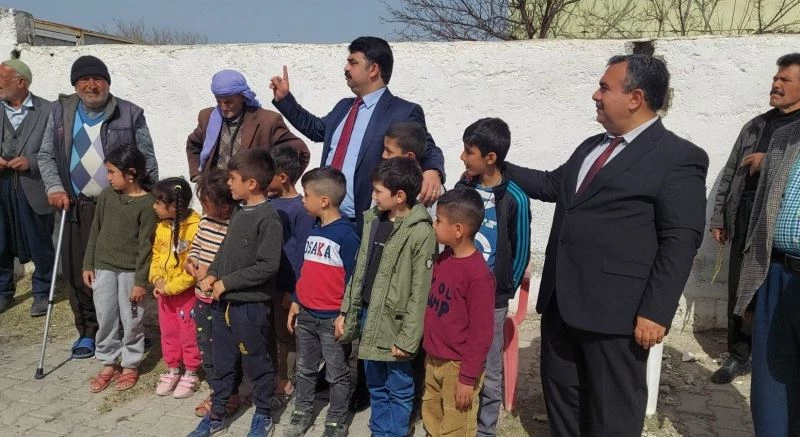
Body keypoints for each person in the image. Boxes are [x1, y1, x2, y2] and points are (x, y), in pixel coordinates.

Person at [503, 54, 708, 436]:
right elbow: (551, 185)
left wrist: (657, 311)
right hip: (562, 304)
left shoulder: (679, 158)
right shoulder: (590, 147)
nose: (595, 95)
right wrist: (496, 166)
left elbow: (680, 240)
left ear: (635, 98)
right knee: (564, 406)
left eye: (604, 87)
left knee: (611, 416)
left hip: (618, 315)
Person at [38, 55, 158, 359]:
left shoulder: (130, 113)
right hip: (75, 205)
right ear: (75, 85)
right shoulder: (60, 112)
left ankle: (129, 333)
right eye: (84, 80)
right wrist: (54, 187)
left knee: (125, 272)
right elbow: (45, 155)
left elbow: (147, 159)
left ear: (108, 82)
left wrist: (147, 197)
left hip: (121, 207)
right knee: (81, 272)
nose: (92, 85)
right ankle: (89, 333)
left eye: (98, 79)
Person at [270, 36, 446, 230]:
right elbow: (315, 129)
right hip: (325, 219)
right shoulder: (343, 107)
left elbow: (426, 146)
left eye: (353, 62)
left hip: (364, 221)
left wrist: (433, 171)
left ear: (373, 70)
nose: (346, 68)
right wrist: (285, 99)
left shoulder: (402, 111)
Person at [708, 53, 800, 384]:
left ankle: (771, 353)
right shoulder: (756, 125)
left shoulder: (796, 133)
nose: (776, 84)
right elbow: (730, 173)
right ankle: (738, 354)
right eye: (776, 78)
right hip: (746, 213)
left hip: (778, 218)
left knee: (772, 289)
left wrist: (771, 162)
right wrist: (719, 217)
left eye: (785, 80)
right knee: (740, 286)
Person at [336, 157, 437, 437]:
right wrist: (346, 311)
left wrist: (408, 338)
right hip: (370, 315)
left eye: (379, 191)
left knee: (399, 387)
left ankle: (394, 433)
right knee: (375, 383)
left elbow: (420, 291)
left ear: (400, 196)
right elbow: (360, 269)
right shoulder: (374, 220)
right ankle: (379, 432)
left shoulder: (420, 232)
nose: (373, 196)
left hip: (396, 324)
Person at [189, 148, 283, 437]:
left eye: (232, 178)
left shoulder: (268, 219)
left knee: (257, 362)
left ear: (251, 184)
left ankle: (264, 412)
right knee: (222, 362)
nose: (228, 183)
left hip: (249, 309)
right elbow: (224, 252)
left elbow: (267, 266)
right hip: (222, 307)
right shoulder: (240, 212)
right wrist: (213, 273)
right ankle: (217, 413)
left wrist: (227, 283)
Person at [733, 54, 800, 437]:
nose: (775, 84)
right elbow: (761, 215)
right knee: (770, 387)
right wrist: (753, 283)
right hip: (775, 272)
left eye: (785, 79)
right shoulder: (783, 137)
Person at [456, 117, 531, 436]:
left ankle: (485, 430)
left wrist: (503, 290)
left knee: (490, 366)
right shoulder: (464, 188)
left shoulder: (515, 197)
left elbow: (522, 249)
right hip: (459, 294)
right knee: (458, 360)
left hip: (492, 299)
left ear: (490, 158)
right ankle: (457, 423)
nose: (461, 156)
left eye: (468, 151)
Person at [283, 167, 360, 437]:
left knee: (337, 373)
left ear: (324, 200)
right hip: (305, 314)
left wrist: (345, 313)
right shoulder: (314, 229)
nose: (303, 200)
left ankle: (337, 419)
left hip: (331, 320)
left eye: (307, 195)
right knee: (305, 368)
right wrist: (295, 300)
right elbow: (306, 270)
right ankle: (302, 411)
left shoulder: (346, 235)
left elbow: (354, 280)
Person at [81, 144, 156, 393]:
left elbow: (146, 247)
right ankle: (108, 361)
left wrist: (140, 282)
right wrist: (88, 263)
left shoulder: (147, 205)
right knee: (105, 316)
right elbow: (96, 230)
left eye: (112, 172)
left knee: (132, 318)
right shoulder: (106, 195)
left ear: (131, 173)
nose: (108, 177)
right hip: (103, 268)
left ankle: (131, 363)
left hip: (129, 273)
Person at [421, 187, 495, 437]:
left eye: (439, 220)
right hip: (433, 359)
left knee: (455, 428)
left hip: (457, 367)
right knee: (431, 419)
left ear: (459, 230)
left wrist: (467, 377)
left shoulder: (479, 276)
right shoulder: (444, 259)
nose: (434, 224)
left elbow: (481, 334)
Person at [0, 57, 55, 316]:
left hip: (33, 186)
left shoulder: (48, 110)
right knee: (1, 240)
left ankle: (42, 292)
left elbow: (57, 148)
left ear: (20, 82)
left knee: (39, 241)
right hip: (2, 186)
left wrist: (31, 161)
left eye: (2, 79)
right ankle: (3, 291)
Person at [185, 169, 242, 418]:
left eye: (206, 202)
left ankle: (231, 393)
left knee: (226, 350)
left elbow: (235, 261)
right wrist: (191, 262)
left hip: (222, 301)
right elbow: (195, 247)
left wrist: (212, 273)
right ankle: (216, 389)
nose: (202, 206)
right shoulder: (205, 222)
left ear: (222, 203)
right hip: (201, 299)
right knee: (206, 348)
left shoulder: (236, 225)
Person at [186, 69, 309, 182]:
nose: (223, 107)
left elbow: (301, 152)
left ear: (243, 97)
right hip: (216, 195)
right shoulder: (207, 117)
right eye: (219, 101)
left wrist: (279, 187)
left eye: (228, 102)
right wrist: (197, 174)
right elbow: (193, 144)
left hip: (249, 197)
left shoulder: (267, 121)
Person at [266, 145, 315, 407]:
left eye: (267, 174)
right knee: (271, 332)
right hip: (267, 283)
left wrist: (294, 290)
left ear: (283, 177)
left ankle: (288, 379)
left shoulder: (300, 209)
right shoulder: (268, 203)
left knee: (286, 336)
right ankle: (273, 375)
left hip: (287, 285)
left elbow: (303, 254)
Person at [150, 177, 202, 399]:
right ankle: (173, 368)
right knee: (169, 331)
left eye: (157, 203)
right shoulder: (161, 226)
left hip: (185, 294)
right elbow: (156, 255)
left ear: (173, 206)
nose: (154, 206)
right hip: (165, 293)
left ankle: (191, 371)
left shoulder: (195, 227)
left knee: (188, 333)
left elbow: (193, 266)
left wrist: (171, 287)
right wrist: (157, 279)